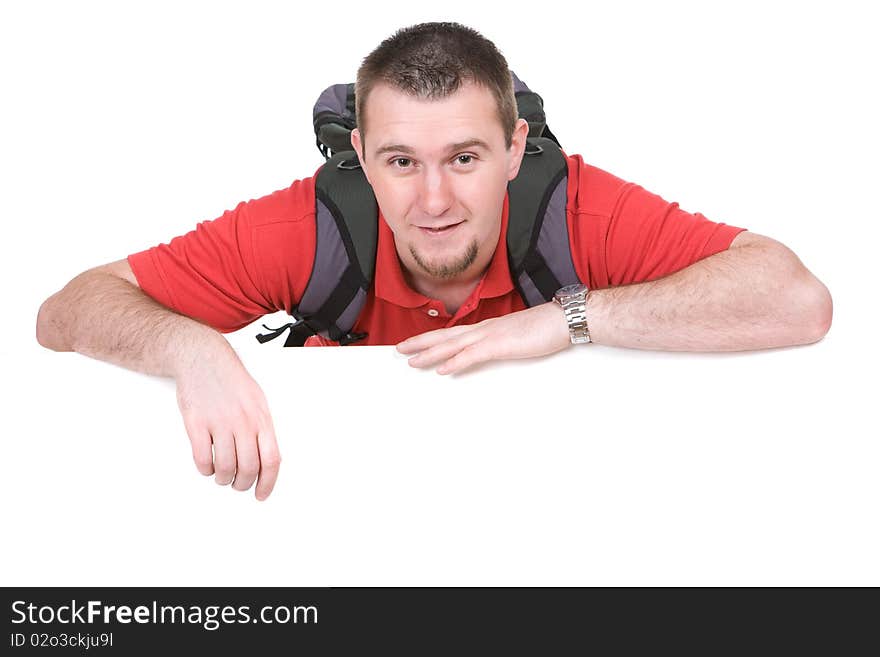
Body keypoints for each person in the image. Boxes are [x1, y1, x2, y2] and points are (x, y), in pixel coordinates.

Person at [35, 22, 832, 502]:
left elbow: (795, 298)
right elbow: (66, 310)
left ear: (516, 150)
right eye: (401, 162)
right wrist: (190, 347)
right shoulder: (308, 227)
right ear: (360, 155)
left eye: (465, 156)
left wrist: (570, 319)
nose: (435, 200)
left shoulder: (576, 211)